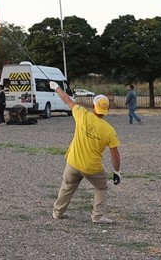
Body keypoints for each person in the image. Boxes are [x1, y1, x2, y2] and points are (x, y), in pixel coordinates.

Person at [50, 84, 121, 224]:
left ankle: (58, 212)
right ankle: (98, 216)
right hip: (92, 167)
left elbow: (67, 100)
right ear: (107, 109)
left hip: (73, 162)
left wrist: (56, 87)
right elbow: (115, 154)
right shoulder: (109, 130)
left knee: (67, 186)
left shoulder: (82, 114)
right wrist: (117, 171)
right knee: (101, 187)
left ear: (93, 107)